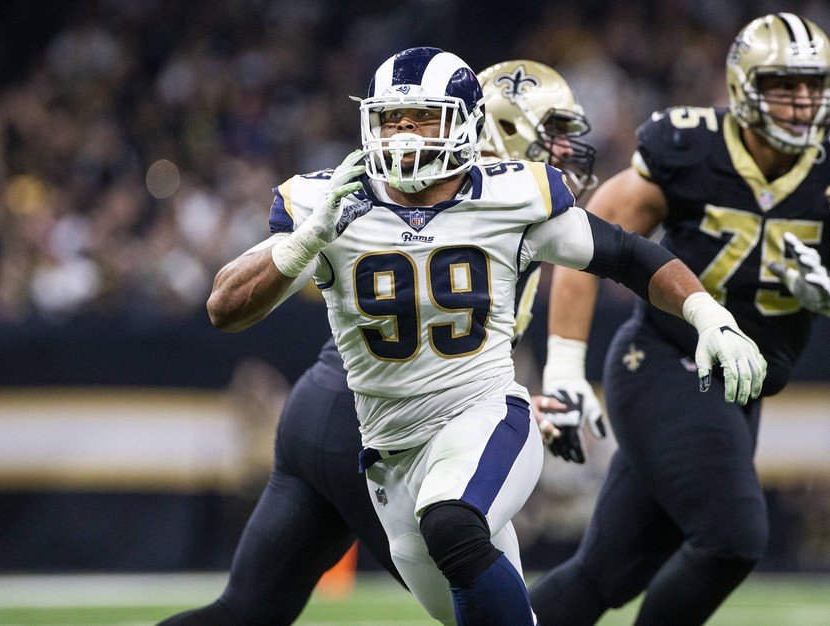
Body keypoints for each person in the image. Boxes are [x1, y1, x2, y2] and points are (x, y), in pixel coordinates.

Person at [204, 46, 765, 625]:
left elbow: (626, 253)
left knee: (452, 520)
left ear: (465, 124)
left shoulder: (513, 195)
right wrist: (302, 243)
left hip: (484, 414)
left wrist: (706, 314)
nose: (401, 134)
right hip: (385, 456)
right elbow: (224, 308)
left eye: (420, 117)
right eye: (390, 119)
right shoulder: (327, 201)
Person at [156, 58, 597, 626]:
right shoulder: (475, 200)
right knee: (479, 589)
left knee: (245, 613)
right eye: (554, 134)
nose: (567, 150)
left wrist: (552, 380)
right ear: (504, 131)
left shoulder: (497, 200)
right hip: (379, 427)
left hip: (320, 409)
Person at [529, 12, 830, 626]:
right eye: (783, 85)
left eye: (813, 86)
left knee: (607, 573)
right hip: (668, 364)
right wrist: (565, 367)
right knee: (733, 538)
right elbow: (585, 241)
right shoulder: (692, 147)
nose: (801, 102)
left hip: (740, 387)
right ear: (745, 87)